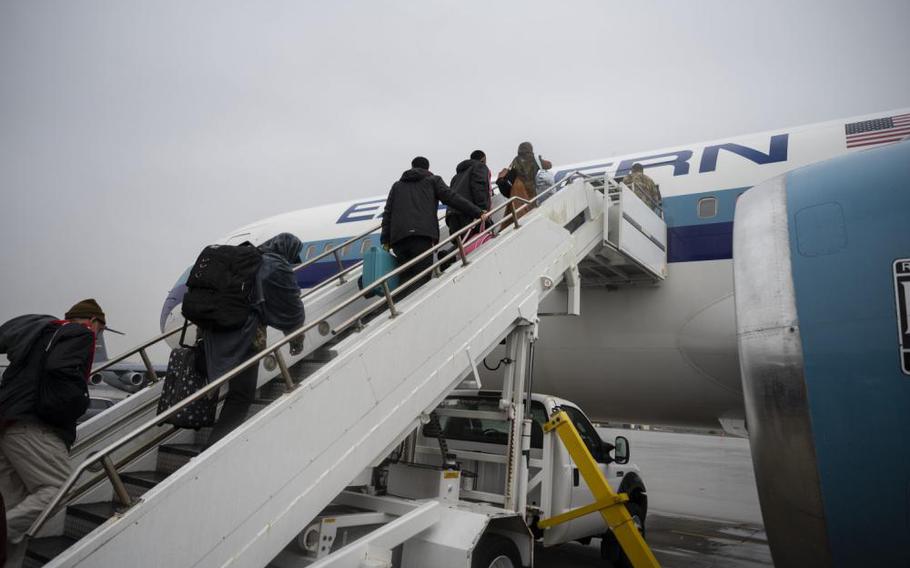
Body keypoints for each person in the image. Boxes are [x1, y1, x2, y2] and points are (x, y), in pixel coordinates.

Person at [0, 299, 105, 567]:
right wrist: (79, 402)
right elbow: (61, 370)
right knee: (58, 487)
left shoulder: (40, 335)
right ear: (93, 322)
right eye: (100, 330)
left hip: (8, 423)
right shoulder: (80, 333)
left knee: (13, 510)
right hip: (35, 426)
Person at [204, 233, 306, 445]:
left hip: (213, 331)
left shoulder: (249, 260)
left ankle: (208, 431)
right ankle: (215, 450)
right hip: (245, 336)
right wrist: (296, 340)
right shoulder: (276, 267)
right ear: (288, 250)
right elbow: (291, 310)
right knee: (241, 394)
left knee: (212, 384)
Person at [381, 156, 488, 298]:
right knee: (423, 280)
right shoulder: (432, 181)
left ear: (412, 166)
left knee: (406, 279)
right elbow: (452, 198)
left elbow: (387, 214)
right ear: (427, 168)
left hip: (399, 240)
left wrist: (385, 240)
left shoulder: (397, 186)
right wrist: (478, 212)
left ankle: (395, 309)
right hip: (422, 237)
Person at [496, 142, 552, 221]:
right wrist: (540, 160)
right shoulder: (534, 159)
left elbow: (510, 172)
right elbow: (549, 165)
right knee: (532, 210)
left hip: (519, 190)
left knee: (519, 212)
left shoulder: (516, 160)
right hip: (531, 190)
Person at [445, 150, 492, 237]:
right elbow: (478, 188)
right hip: (468, 213)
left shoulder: (456, 177)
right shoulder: (480, 167)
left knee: (462, 246)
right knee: (489, 233)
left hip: (452, 216)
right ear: (483, 159)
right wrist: (482, 210)